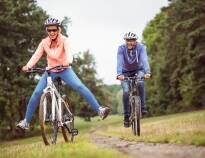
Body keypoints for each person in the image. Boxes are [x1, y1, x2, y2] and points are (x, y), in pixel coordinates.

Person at [17, 18, 110, 130]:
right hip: (50, 71)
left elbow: (69, 53)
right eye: (49, 30)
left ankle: (99, 109)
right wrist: (28, 66)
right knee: (36, 93)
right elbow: (36, 55)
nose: (52, 32)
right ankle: (26, 121)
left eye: (54, 30)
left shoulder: (64, 40)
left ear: (58, 29)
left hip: (65, 69)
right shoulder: (44, 42)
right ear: (47, 31)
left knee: (79, 86)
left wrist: (68, 61)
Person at [116, 31, 151, 128]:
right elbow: (119, 61)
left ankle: (143, 107)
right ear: (125, 41)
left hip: (138, 70)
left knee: (140, 82)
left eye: (132, 40)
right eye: (128, 40)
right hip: (124, 72)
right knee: (126, 91)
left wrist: (147, 72)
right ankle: (126, 116)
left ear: (135, 41)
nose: (130, 42)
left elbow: (144, 60)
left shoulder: (141, 47)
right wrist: (119, 74)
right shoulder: (121, 49)